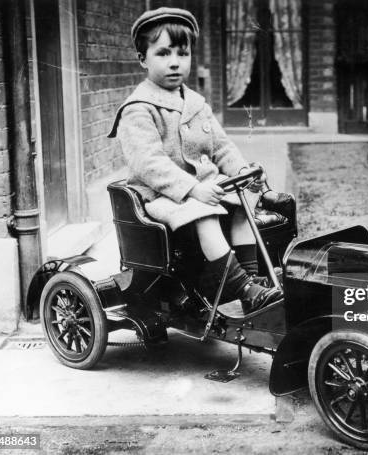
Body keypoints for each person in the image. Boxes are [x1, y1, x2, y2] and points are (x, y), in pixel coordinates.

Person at [108, 7, 282, 313]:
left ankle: (253, 284)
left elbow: (222, 147)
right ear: (142, 59)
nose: (175, 62)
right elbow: (149, 163)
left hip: (205, 187)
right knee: (204, 213)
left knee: (244, 205)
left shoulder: (196, 103)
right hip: (164, 195)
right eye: (162, 53)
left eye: (183, 53)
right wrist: (191, 188)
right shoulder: (138, 108)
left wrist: (241, 171)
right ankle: (240, 286)